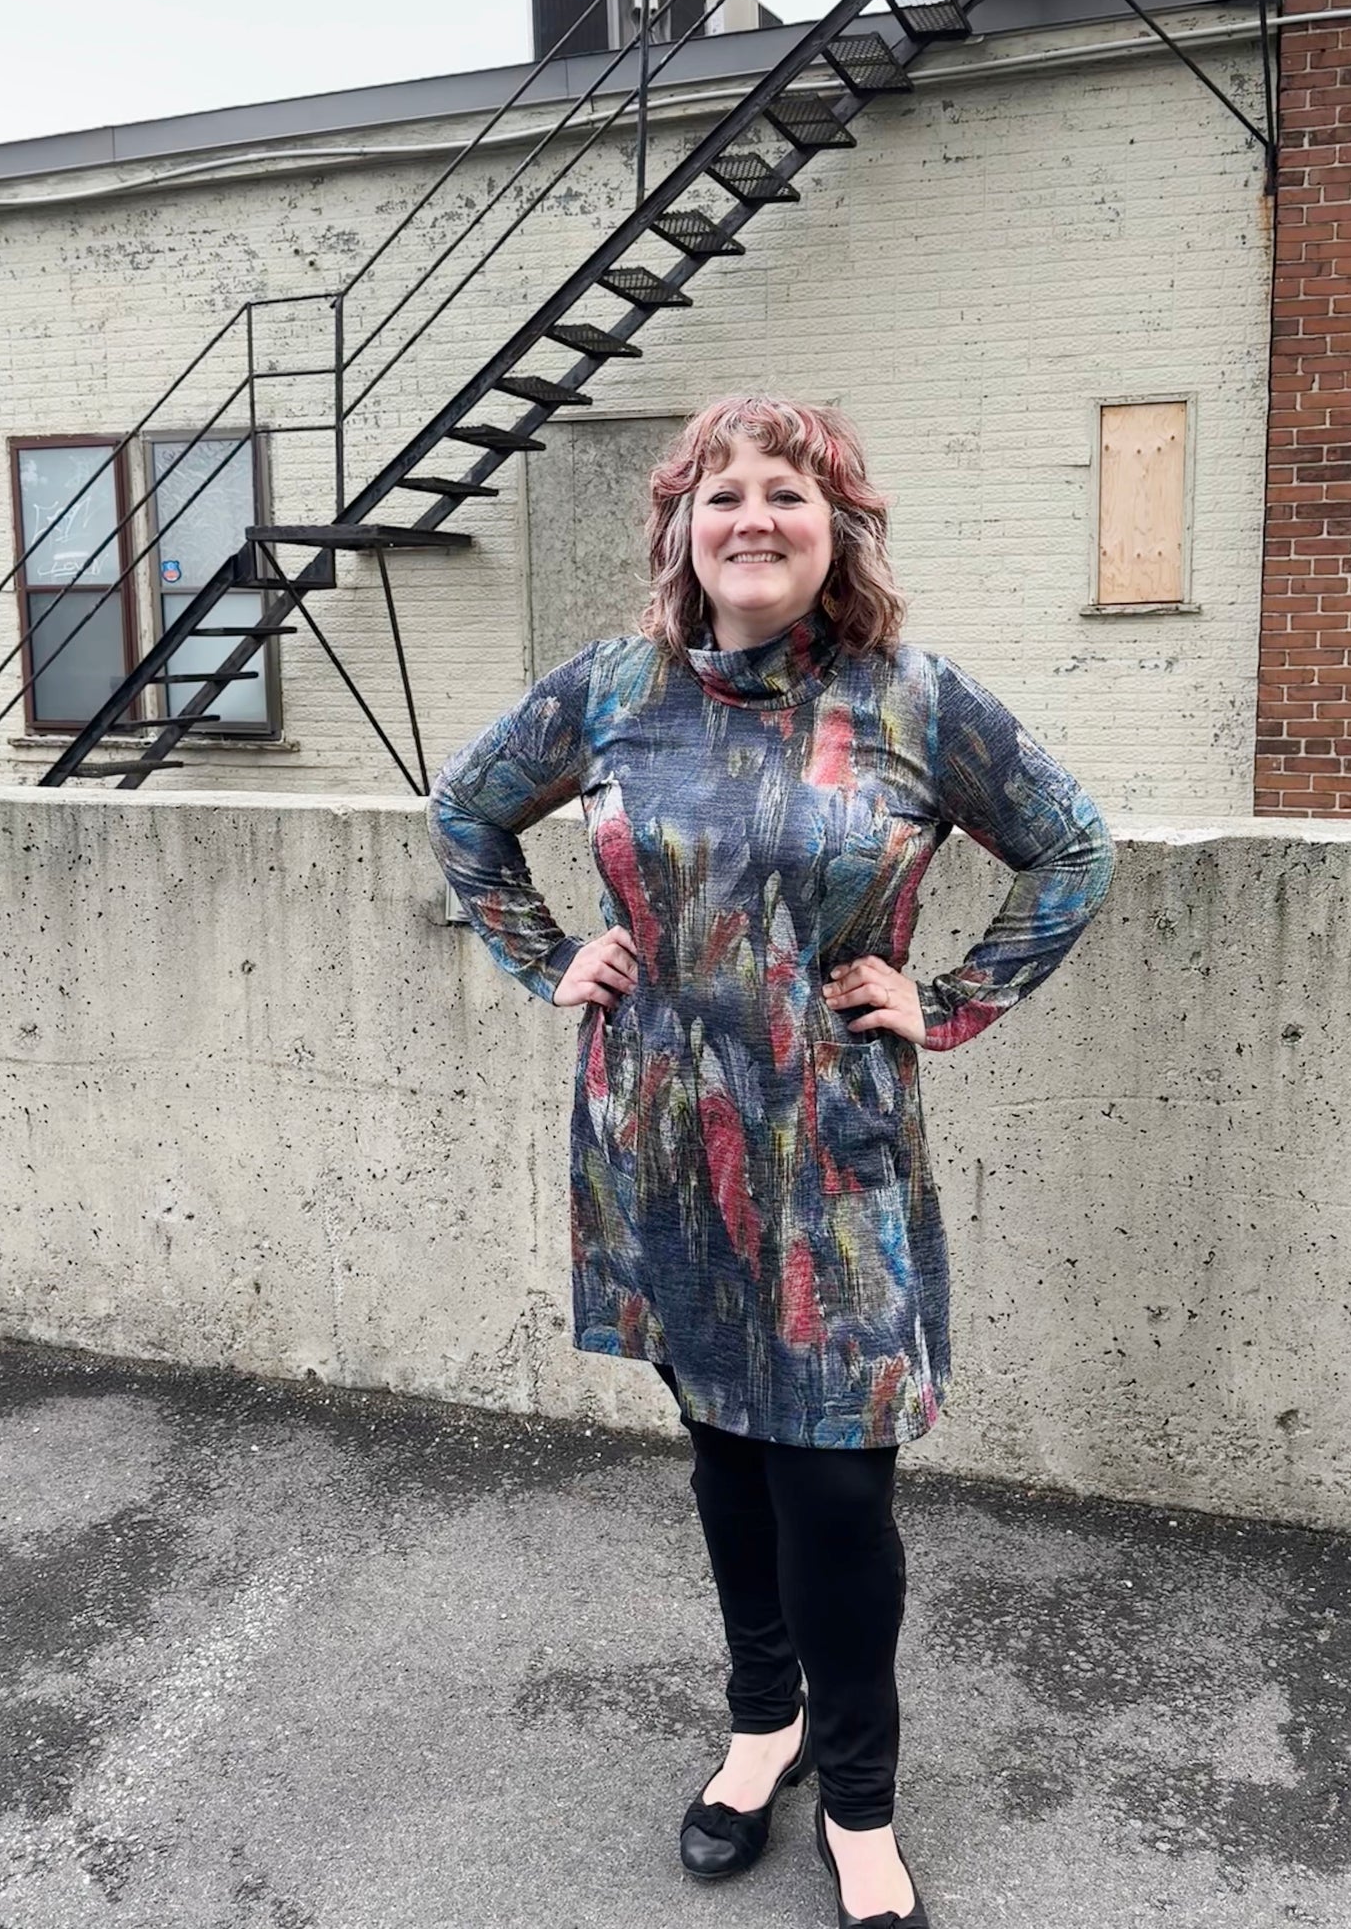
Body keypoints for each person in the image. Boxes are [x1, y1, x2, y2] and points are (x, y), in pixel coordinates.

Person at [427, 395, 1116, 1929]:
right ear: (679, 527)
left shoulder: (911, 701)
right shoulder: (612, 689)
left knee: (835, 1492)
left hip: (834, 1163)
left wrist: (945, 1002)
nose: (752, 516)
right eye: (720, 492)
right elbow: (465, 812)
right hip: (659, 1143)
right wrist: (548, 955)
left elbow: (1074, 847)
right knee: (727, 1456)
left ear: (835, 528)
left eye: (786, 493)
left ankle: (859, 1806)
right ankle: (765, 1724)